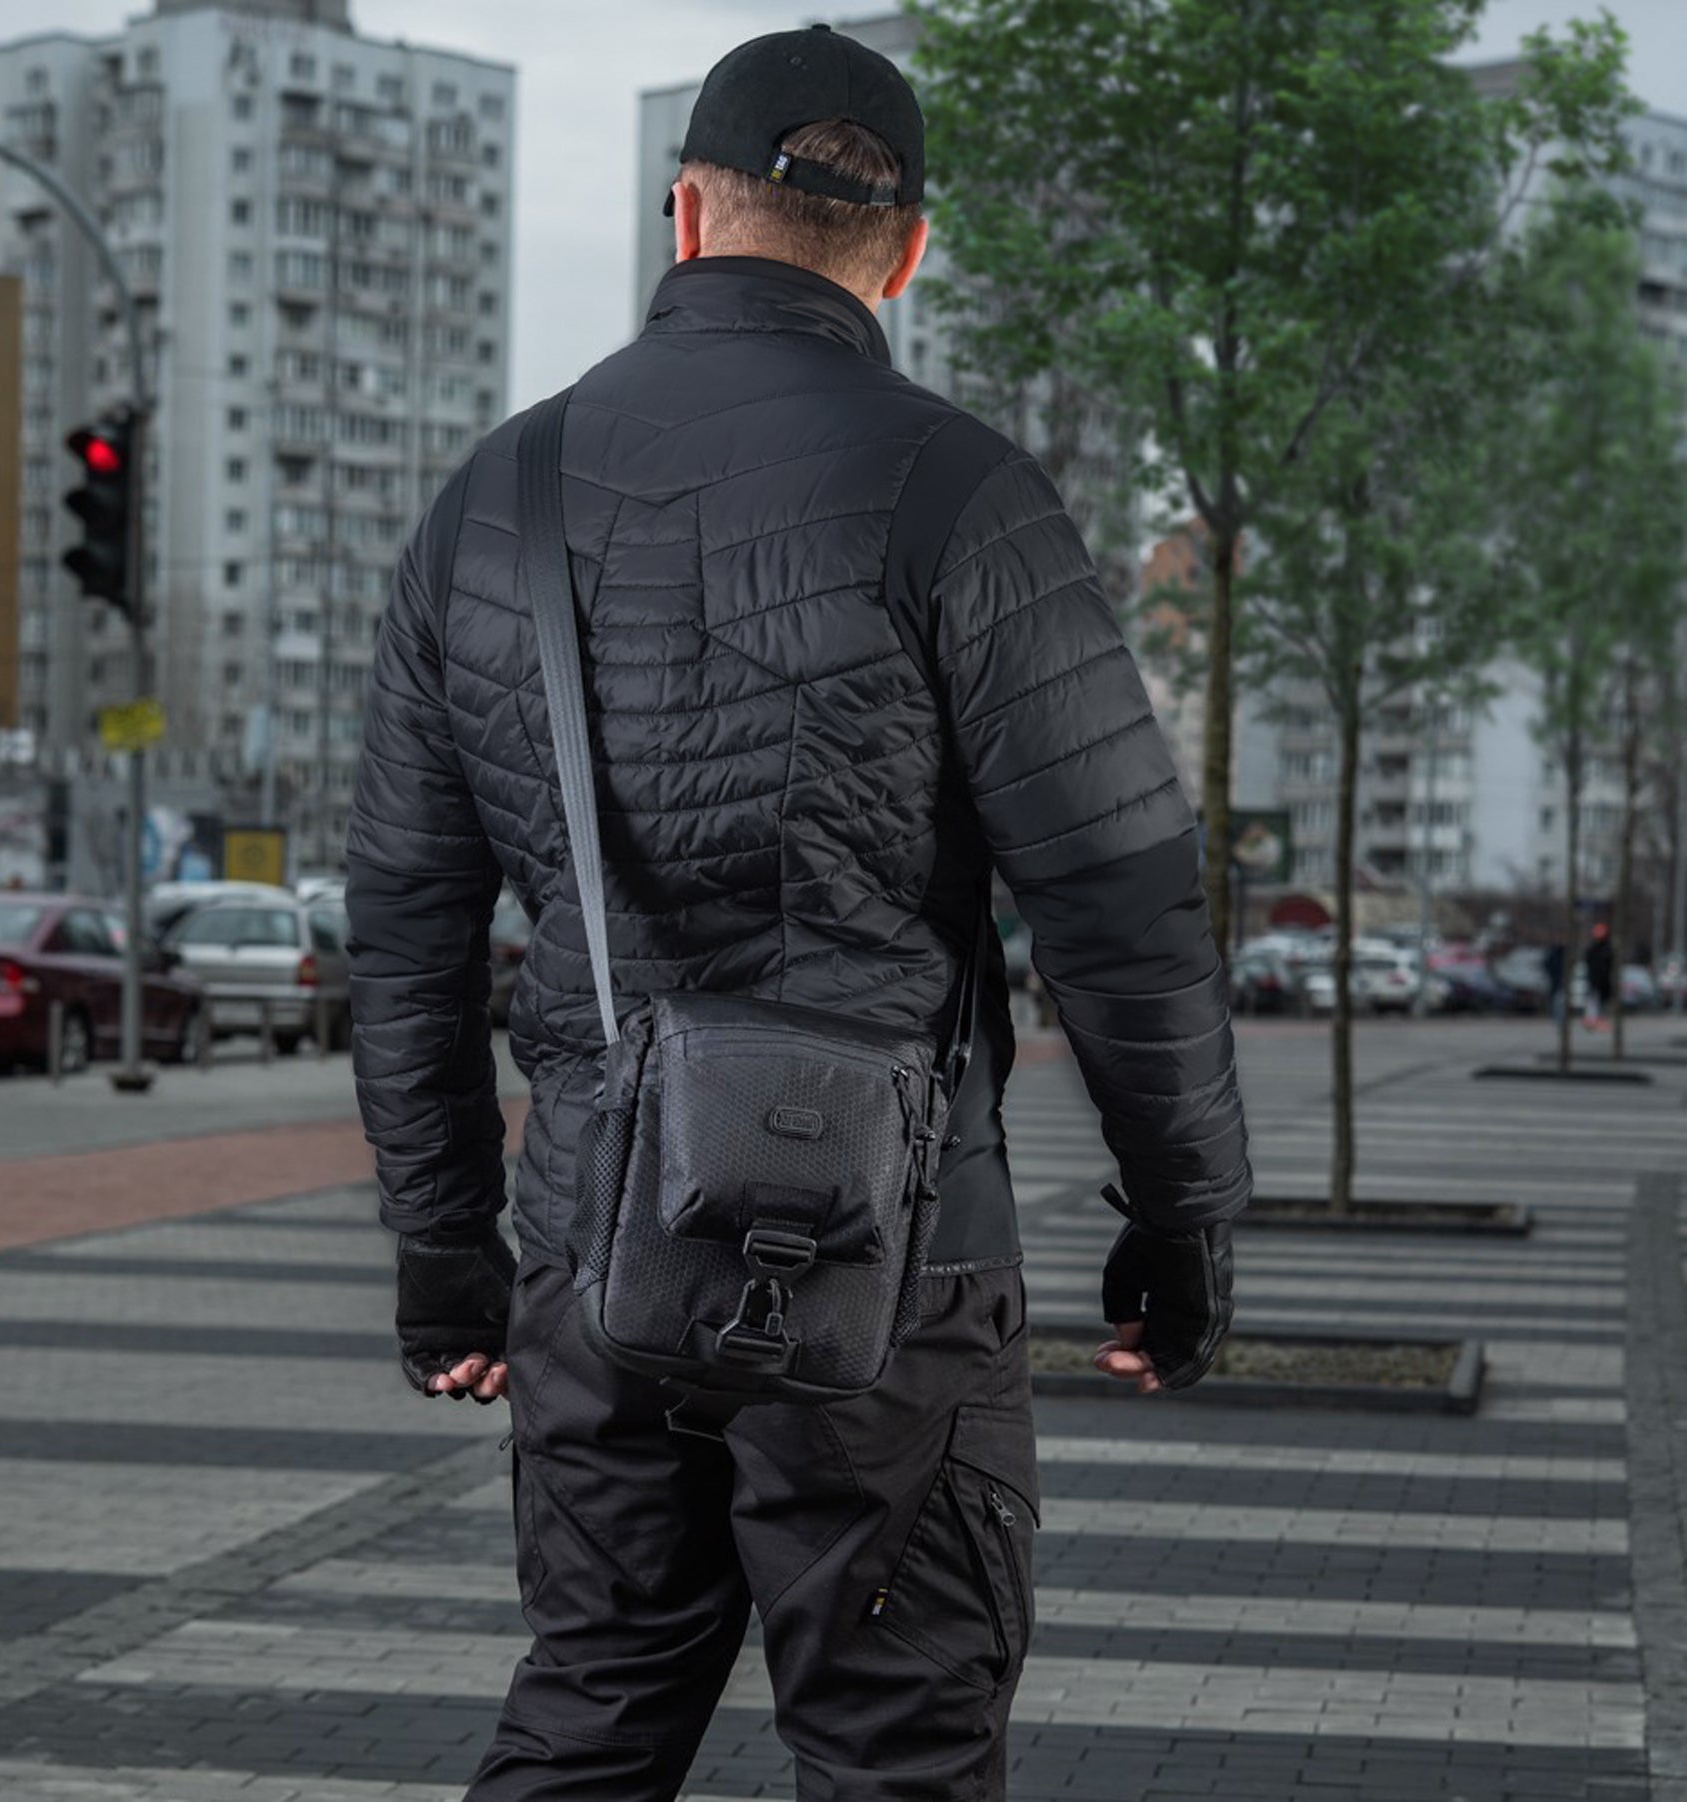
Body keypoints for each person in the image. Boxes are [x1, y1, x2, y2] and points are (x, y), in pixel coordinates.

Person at [346, 25, 1251, 1801]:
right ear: (906, 253)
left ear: (685, 214)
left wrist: (446, 1250)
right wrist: (1184, 1224)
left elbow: (407, 925)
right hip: (895, 1255)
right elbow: (1123, 906)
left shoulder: (488, 506)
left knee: (594, 1705)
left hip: (595, 1245)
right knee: (897, 1746)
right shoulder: (966, 492)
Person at [1585, 921, 1616, 1030]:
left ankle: (1596, 1021)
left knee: (1598, 1002)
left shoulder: (1605, 949)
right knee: (1595, 1002)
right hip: (1596, 981)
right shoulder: (1596, 949)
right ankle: (1593, 1021)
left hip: (1602, 981)